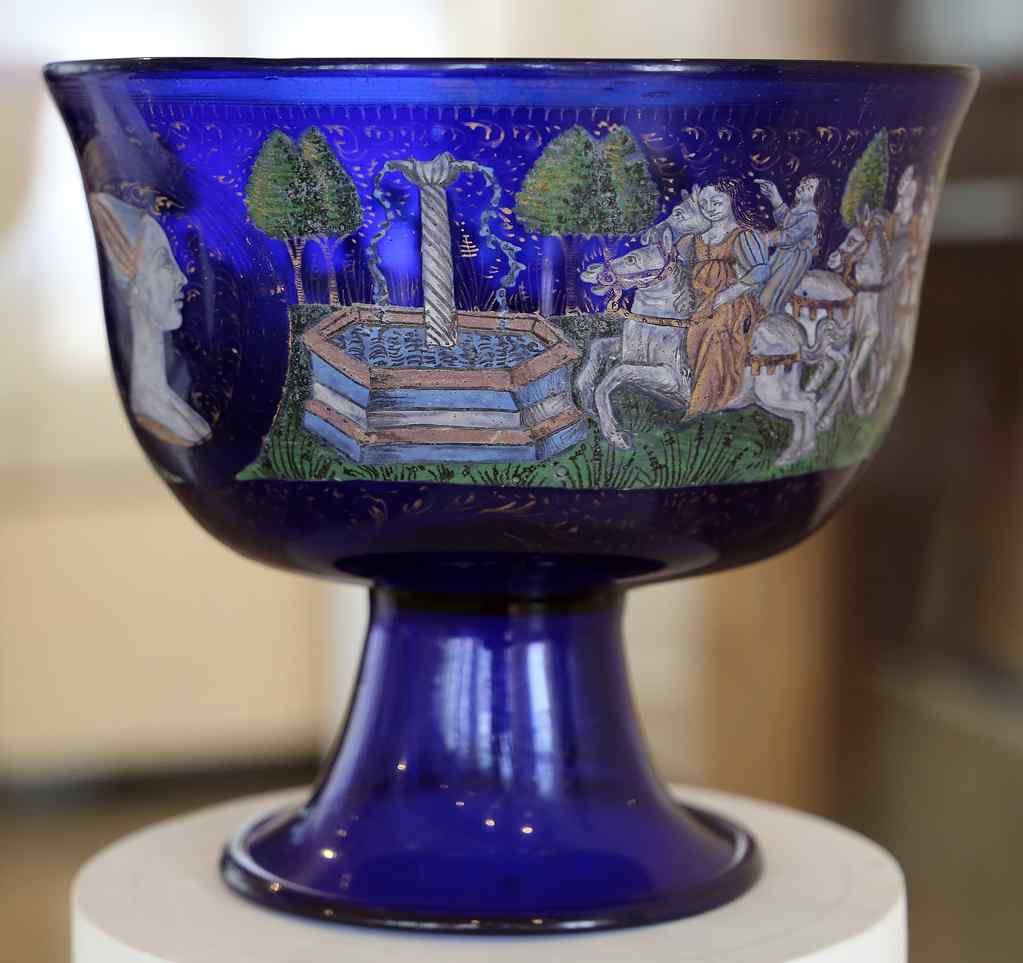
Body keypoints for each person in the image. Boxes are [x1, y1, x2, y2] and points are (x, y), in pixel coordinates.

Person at [89, 192, 212, 447]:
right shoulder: (152, 405)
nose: (181, 278)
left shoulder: (168, 400)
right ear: (132, 281)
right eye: (165, 263)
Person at [685, 179, 770, 417]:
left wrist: (729, 293)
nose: (709, 208)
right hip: (698, 297)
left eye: (716, 202)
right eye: (704, 204)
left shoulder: (743, 235)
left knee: (715, 330)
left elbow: (761, 270)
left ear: (732, 199)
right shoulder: (698, 237)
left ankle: (706, 402)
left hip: (731, 302)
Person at [755, 175, 827, 314]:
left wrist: (766, 239)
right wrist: (774, 196)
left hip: (792, 261)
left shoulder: (811, 216)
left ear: (817, 195)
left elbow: (788, 236)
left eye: (810, 187)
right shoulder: (799, 209)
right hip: (783, 255)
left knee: (774, 287)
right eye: (803, 183)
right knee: (766, 279)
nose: (803, 187)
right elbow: (784, 222)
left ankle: (767, 310)